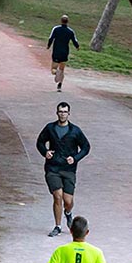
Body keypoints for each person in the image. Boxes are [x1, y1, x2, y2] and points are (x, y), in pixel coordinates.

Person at [36, 102, 91, 238]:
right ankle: (58, 226)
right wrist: (45, 152)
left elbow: (86, 147)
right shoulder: (50, 128)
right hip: (53, 168)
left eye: (65, 112)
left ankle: (68, 212)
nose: (62, 114)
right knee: (57, 196)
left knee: (68, 201)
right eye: (60, 111)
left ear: (69, 114)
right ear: (57, 113)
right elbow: (40, 142)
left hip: (68, 170)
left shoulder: (75, 131)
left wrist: (75, 158)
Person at [47, 15, 80, 91]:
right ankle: (59, 86)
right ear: (67, 22)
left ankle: (56, 73)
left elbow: (51, 38)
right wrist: (77, 47)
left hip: (56, 51)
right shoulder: (70, 31)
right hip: (65, 52)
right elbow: (75, 40)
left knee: (53, 69)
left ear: (61, 21)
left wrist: (48, 46)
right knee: (62, 70)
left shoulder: (56, 29)